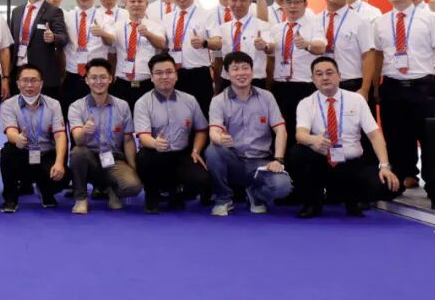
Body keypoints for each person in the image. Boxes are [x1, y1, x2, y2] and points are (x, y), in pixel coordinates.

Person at [289, 57, 400, 218]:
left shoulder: (356, 100)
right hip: (322, 162)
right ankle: (312, 202)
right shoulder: (306, 103)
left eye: (329, 73)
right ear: (313, 79)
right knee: (298, 152)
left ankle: (350, 198)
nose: (325, 77)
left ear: (339, 75)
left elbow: (374, 134)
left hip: (350, 163)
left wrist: (384, 166)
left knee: (388, 187)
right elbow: (300, 135)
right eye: (319, 74)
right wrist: (314, 140)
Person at [373, 0, 435, 191]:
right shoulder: (381, 22)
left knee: (429, 136)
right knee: (396, 136)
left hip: (423, 86)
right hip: (392, 85)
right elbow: (378, 56)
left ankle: (434, 182)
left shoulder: (429, 18)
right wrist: (375, 85)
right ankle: (403, 176)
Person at [206, 52, 293, 216]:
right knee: (213, 150)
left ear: (252, 71)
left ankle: (255, 194)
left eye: (245, 68)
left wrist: (278, 159)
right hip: (233, 160)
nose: (241, 73)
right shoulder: (218, 100)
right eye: (235, 69)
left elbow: (281, 129)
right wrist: (220, 139)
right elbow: (213, 131)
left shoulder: (267, 97)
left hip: (260, 162)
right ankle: (224, 198)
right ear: (227, 74)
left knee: (283, 187)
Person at [134, 53, 210, 213]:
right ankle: (152, 194)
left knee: (201, 179)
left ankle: (177, 192)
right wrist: (155, 143)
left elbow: (202, 130)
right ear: (151, 77)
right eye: (158, 73)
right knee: (144, 157)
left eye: (169, 72)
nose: (164, 76)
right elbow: (143, 136)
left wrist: (196, 150)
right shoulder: (143, 103)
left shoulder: (190, 100)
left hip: (182, 154)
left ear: (176, 75)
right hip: (156, 155)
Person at [67, 59, 141, 214]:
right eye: (93, 78)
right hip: (90, 158)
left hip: (114, 159)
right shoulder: (76, 106)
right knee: (77, 153)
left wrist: (133, 168)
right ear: (87, 80)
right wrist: (85, 130)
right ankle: (81, 198)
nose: (98, 82)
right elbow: (78, 140)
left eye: (103, 77)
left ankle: (111, 189)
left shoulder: (122, 106)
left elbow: (128, 140)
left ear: (110, 79)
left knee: (133, 186)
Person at [0, 65, 66, 212]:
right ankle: (10, 198)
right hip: (22, 153)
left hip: (45, 154)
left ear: (41, 83)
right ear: (18, 83)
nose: (29, 85)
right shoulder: (8, 104)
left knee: (64, 176)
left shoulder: (54, 104)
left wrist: (59, 163)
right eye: (25, 80)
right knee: (8, 152)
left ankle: (46, 191)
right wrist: (17, 138)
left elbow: (60, 134)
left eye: (34, 80)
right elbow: (10, 131)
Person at [306, 0, 376, 103]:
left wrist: (365, 89)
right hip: (322, 84)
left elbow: (369, 56)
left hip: (351, 83)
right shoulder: (314, 20)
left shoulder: (360, 20)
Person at [260, 0, 316, 127]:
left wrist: (308, 45)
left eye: (297, 2)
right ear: (282, 4)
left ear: (305, 4)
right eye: (288, 2)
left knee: (305, 126)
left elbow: (321, 47)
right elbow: (271, 50)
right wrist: (265, 46)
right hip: (280, 85)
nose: (292, 6)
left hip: (305, 85)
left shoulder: (314, 26)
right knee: (281, 126)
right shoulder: (276, 29)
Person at [9, 0, 67, 99]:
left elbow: (63, 38)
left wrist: (53, 37)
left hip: (42, 74)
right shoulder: (16, 12)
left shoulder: (54, 11)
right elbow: (11, 42)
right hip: (18, 72)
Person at [163, 0, 217, 115]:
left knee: (203, 114)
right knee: (177, 115)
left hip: (199, 74)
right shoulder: (167, 18)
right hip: (174, 74)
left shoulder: (207, 15)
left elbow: (218, 42)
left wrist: (204, 43)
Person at [62, 0, 115, 114]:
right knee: (71, 113)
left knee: (98, 114)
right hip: (72, 74)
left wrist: (103, 33)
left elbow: (111, 41)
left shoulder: (105, 18)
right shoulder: (67, 17)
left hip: (96, 76)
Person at [209, 0, 269, 90]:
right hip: (228, 79)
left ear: (250, 0)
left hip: (254, 80)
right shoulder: (222, 29)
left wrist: (265, 46)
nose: (238, 4)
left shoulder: (262, 26)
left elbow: (272, 49)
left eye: (243, 0)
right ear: (228, 0)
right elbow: (218, 58)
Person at [110, 0, 164, 107]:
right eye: (132, 1)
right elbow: (111, 53)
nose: (136, 4)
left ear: (146, 4)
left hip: (147, 84)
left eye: (140, 1)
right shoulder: (116, 27)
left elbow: (161, 44)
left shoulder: (155, 26)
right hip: (122, 84)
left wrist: (148, 34)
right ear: (126, 4)